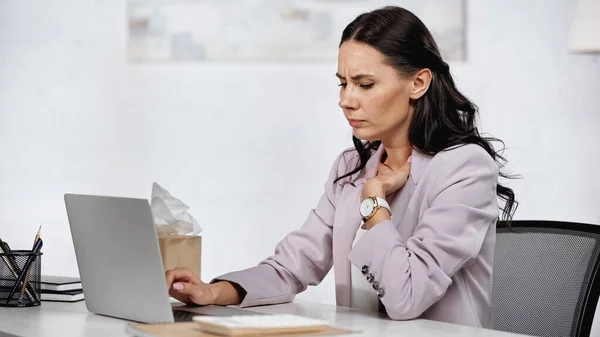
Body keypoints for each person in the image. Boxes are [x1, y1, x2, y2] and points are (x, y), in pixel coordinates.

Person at [165, 6, 517, 328]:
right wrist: (213, 293)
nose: (345, 100)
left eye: (365, 85)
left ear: (418, 83)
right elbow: (292, 266)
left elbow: (406, 297)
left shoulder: (464, 168)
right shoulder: (352, 166)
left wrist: (373, 203)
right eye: (343, 83)